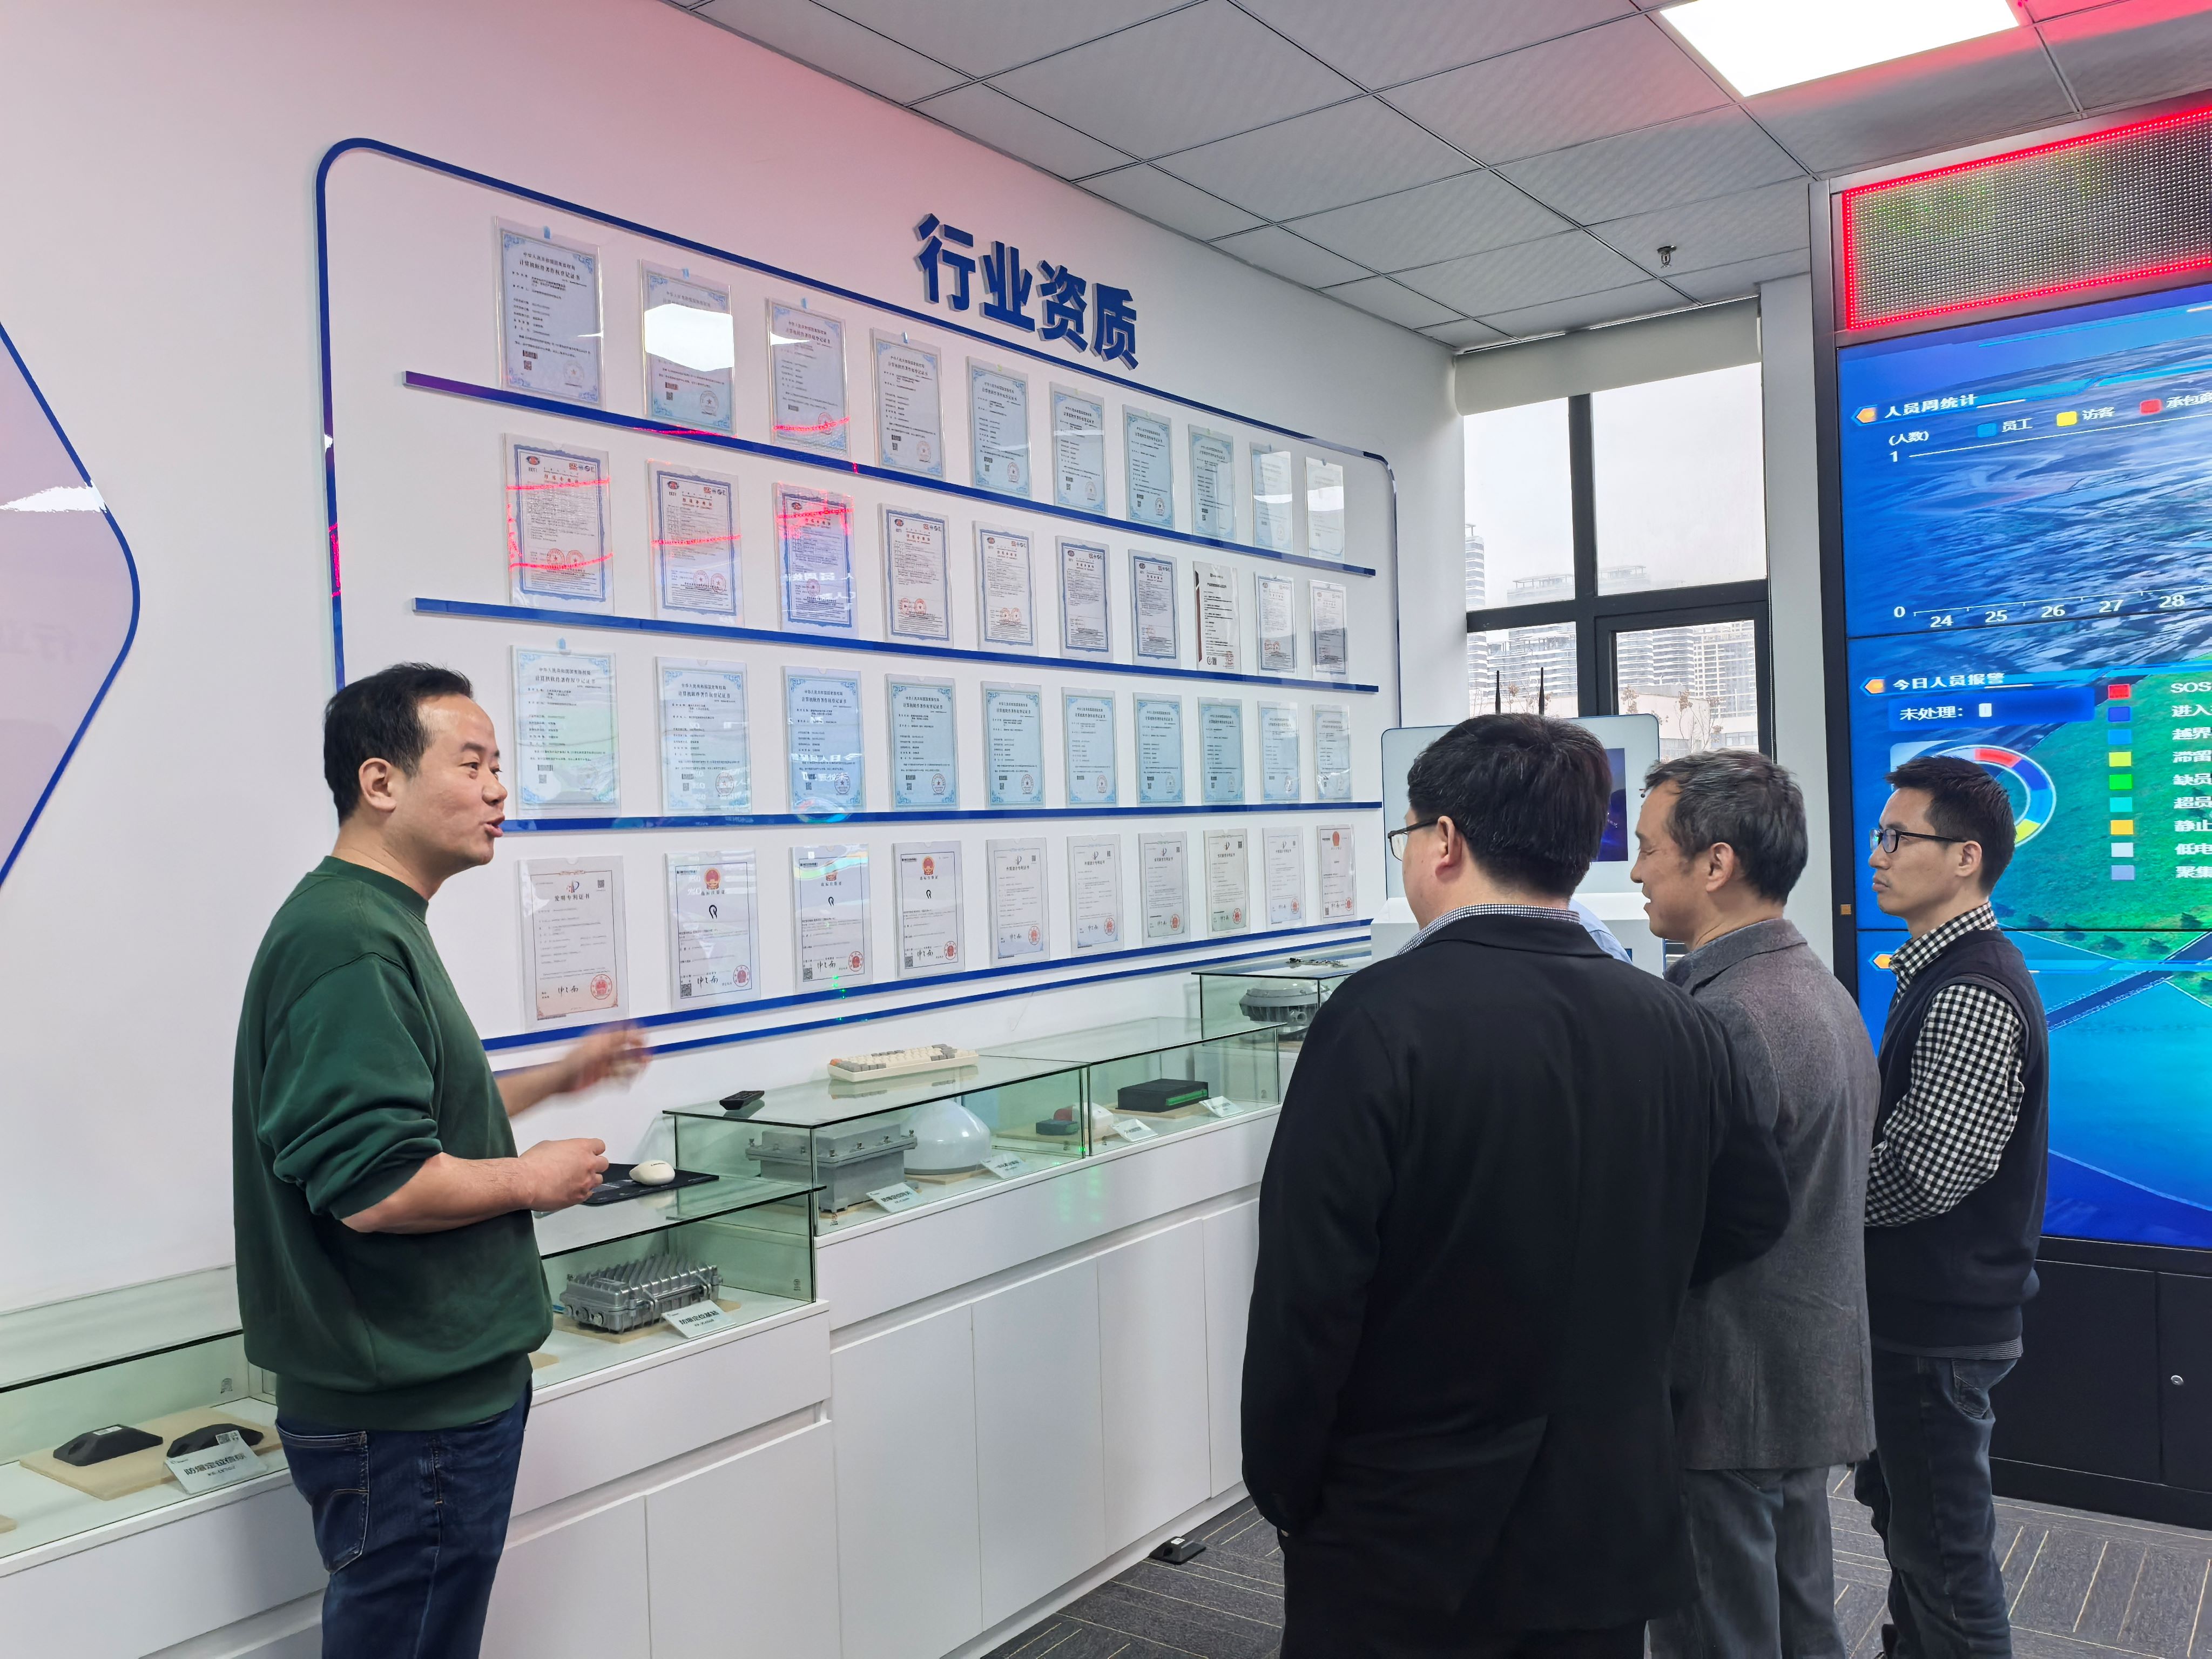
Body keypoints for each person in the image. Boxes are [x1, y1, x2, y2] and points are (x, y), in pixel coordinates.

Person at [1242, 713, 1792, 1659]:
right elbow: (1751, 1214)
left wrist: (1284, 1482)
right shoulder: (1678, 1023)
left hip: (1406, 1524)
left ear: (1445, 842)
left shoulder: (1378, 1019)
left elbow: (1310, 1286)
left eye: (1408, 833)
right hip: (1607, 1512)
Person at [233, 663, 648, 1659]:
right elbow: (377, 1185)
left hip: (429, 1400)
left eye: (498, 765)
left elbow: (416, 1118)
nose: (500, 790)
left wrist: (556, 1079)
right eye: (473, 764)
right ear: (381, 782)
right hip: (407, 1416)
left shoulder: (372, 920)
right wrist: (534, 1179)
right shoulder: (347, 939)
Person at [1630, 751, 1878, 1659]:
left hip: (1728, 1387)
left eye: (1650, 848)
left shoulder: (1727, 1013)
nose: (1636, 871)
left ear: (1716, 863)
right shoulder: (1816, 986)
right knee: (1800, 1620)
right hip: (1800, 1375)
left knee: (1719, 1635)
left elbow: (1709, 1218)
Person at [1854, 756, 2049, 1659]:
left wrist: (1815, 1200)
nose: (1878, 855)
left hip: (1936, 1325)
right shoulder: (1937, 968)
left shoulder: (1971, 985)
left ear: (1967, 857)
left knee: (1945, 1559)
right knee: (1914, 1531)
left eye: (1899, 838)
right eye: (1879, 835)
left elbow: (1928, 1171)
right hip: (1924, 1316)